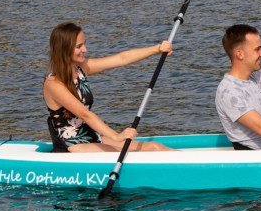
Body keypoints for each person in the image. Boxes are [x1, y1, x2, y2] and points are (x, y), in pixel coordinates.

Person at [44, 21, 173, 153]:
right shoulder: (53, 84)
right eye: (79, 46)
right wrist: (116, 136)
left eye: (84, 44)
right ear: (64, 49)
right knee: (127, 154)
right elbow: (85, 114)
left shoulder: (81, 69)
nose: (85, 49)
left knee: (154, 147)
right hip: (71, 144)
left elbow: (121, 58)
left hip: (91, 135)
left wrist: (157, 49)